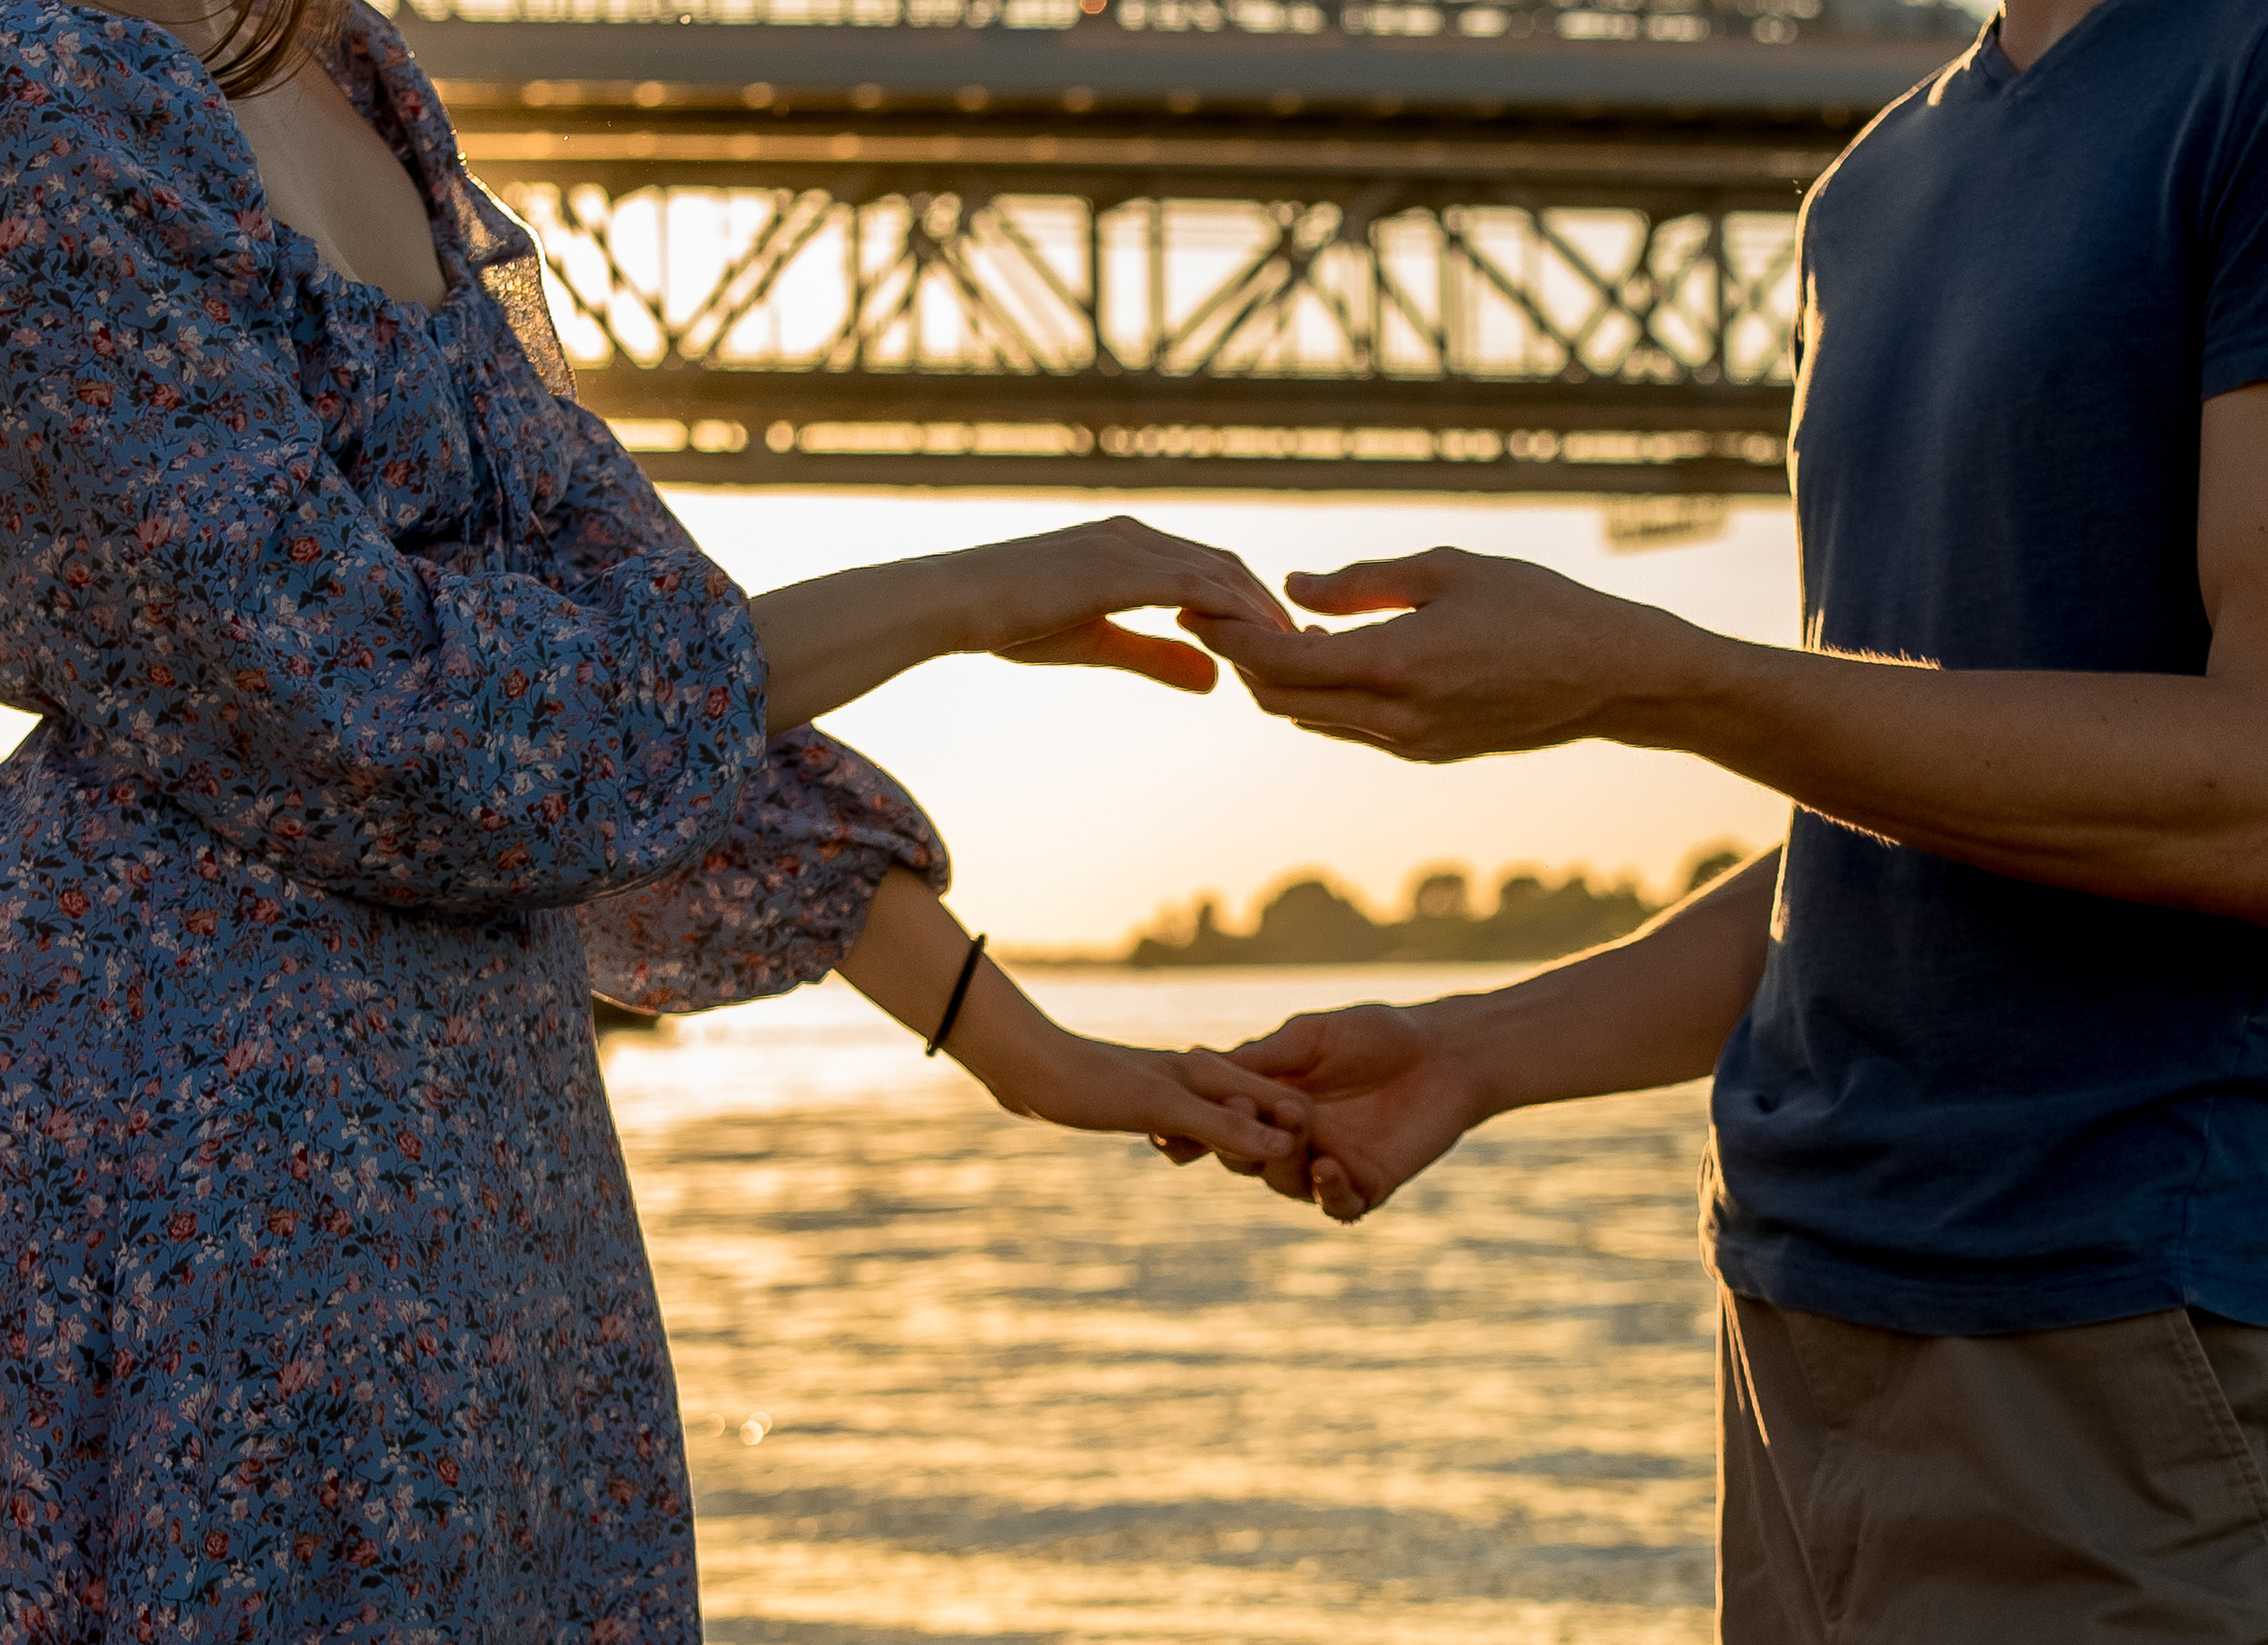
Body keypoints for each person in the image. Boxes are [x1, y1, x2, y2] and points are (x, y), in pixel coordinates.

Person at [0, 0, 1311, 1637]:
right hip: (203, 1165)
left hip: (506, 1207)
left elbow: (633, 678)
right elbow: (375, 711)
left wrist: (1032, 1053)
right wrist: (960, 593)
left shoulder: (369, 81)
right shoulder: (54, 98)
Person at [1180, 0, 2268, 1639]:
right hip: (1794, 1328)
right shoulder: (1871, 188)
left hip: (2134, 1352)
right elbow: (1898, 831)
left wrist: (1652, 677)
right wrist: (1481, 1049)